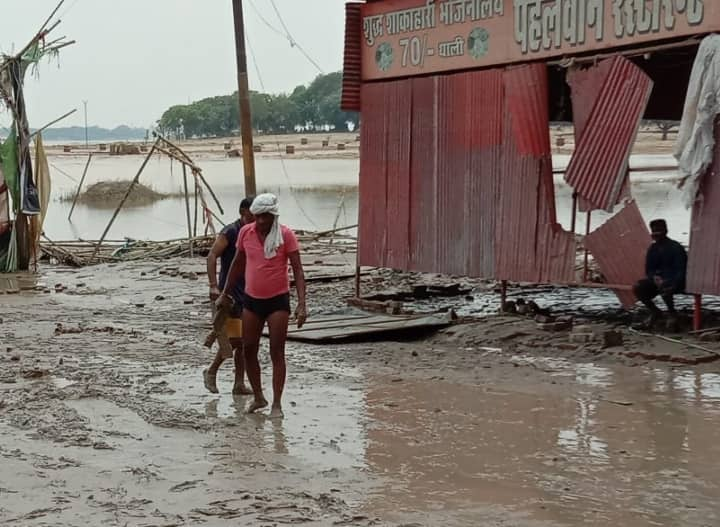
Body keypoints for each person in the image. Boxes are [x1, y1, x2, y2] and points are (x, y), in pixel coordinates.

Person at [219, 193, 307, 418]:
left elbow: (297, 269)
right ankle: (259, 397)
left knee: (277, 351)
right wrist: (225, 293)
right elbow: (237, 264)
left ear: (273, 216)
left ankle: (277, 403)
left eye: (264, 217)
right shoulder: (245, 233)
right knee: (249, 350)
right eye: (256, 217)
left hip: (278, 300)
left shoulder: (285, 235)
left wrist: (302, 304)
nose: (259, 222)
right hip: (252, 300)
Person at [204, 197, 255, 395]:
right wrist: (213, 285)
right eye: (253, 214)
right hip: (229, 294)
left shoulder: (254, 233)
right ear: (244, 212)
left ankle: (239, 384)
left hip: (248, 293)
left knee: (243, 342)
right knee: (235, 340)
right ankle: (211, 370)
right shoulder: (231, 231)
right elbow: (211, 256)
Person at [633, 219, 687, 329]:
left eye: (658, 231)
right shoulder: (653, 248)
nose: (656, 235)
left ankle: (672, 314)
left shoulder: (675, 247)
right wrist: (654, 277)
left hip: (676, 281)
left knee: (665, 285)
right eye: (654, 232)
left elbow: (681, 270)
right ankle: (655, 312)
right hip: (658, 281)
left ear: (665, 231)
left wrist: (670, 281)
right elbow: (649, 269)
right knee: (638, 287)